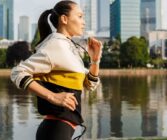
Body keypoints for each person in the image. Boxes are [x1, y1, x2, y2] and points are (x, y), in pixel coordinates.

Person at [10, 1, 102, 140]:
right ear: (64, 19)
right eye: (80, 16)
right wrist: (52, 96)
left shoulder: (69, 47)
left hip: (60, 130)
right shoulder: (56, 45)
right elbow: (18, 72)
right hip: (55, 131)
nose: (83, 22)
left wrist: (95, 60)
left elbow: (90, 85)